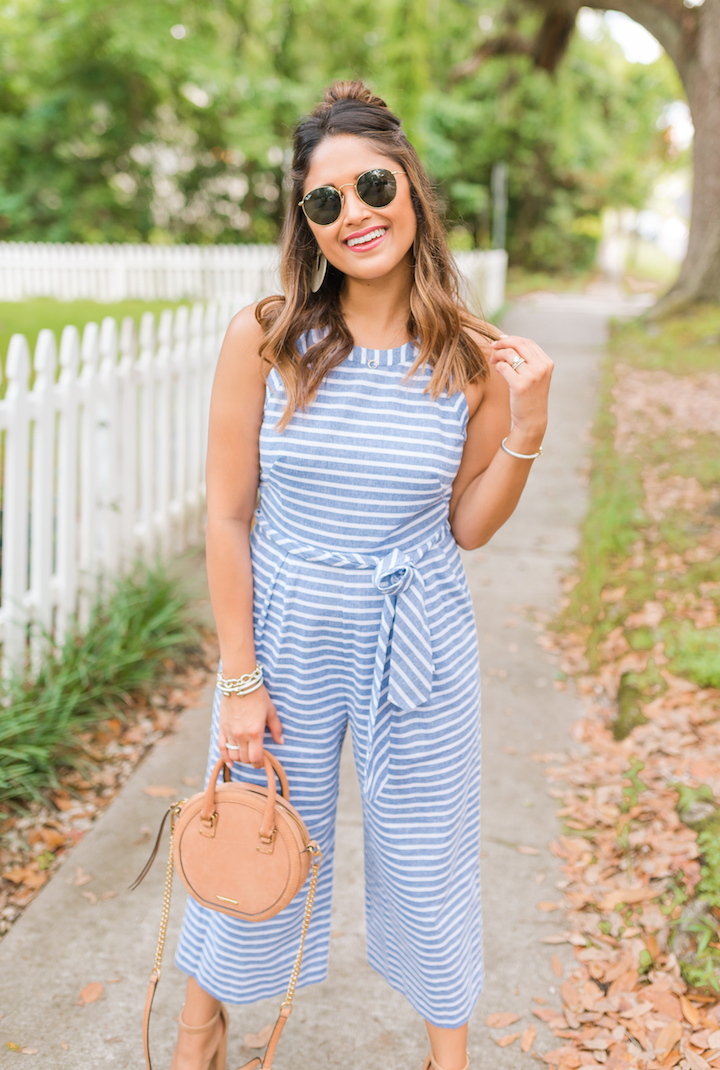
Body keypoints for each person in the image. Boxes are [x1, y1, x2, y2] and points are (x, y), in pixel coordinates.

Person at [170, 80, 553, 1070]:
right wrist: (241, 679)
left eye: (371, 184)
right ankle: (200, 1020)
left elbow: (467, 526)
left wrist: (525, 432)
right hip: (288, 622)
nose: (355, 213)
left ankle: (448, 1053)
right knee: (249, 829)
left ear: (412, 187)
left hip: (418, 628)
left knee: (429, 857)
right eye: (325, 201)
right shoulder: (265, 337)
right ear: (307, 225)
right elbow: (226, 513)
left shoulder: (466, 357)